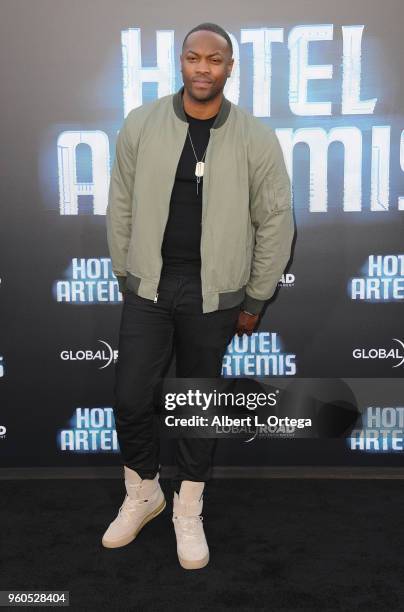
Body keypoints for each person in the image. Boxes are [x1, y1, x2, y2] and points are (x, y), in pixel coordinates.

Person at [102, 22, 294, 570]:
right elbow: (120, 203)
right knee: (132, 397)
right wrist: (127, 270)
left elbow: (276, 221)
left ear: (230, 68)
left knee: (197, 406)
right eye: (193, 57)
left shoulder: (255, 137)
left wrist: (255, 297)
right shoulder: (142, 124)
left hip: (215, 295)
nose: (203, 68)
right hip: (149, 287)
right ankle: (144, 493)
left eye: (215, 59)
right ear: (180, 64)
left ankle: (188, 506)